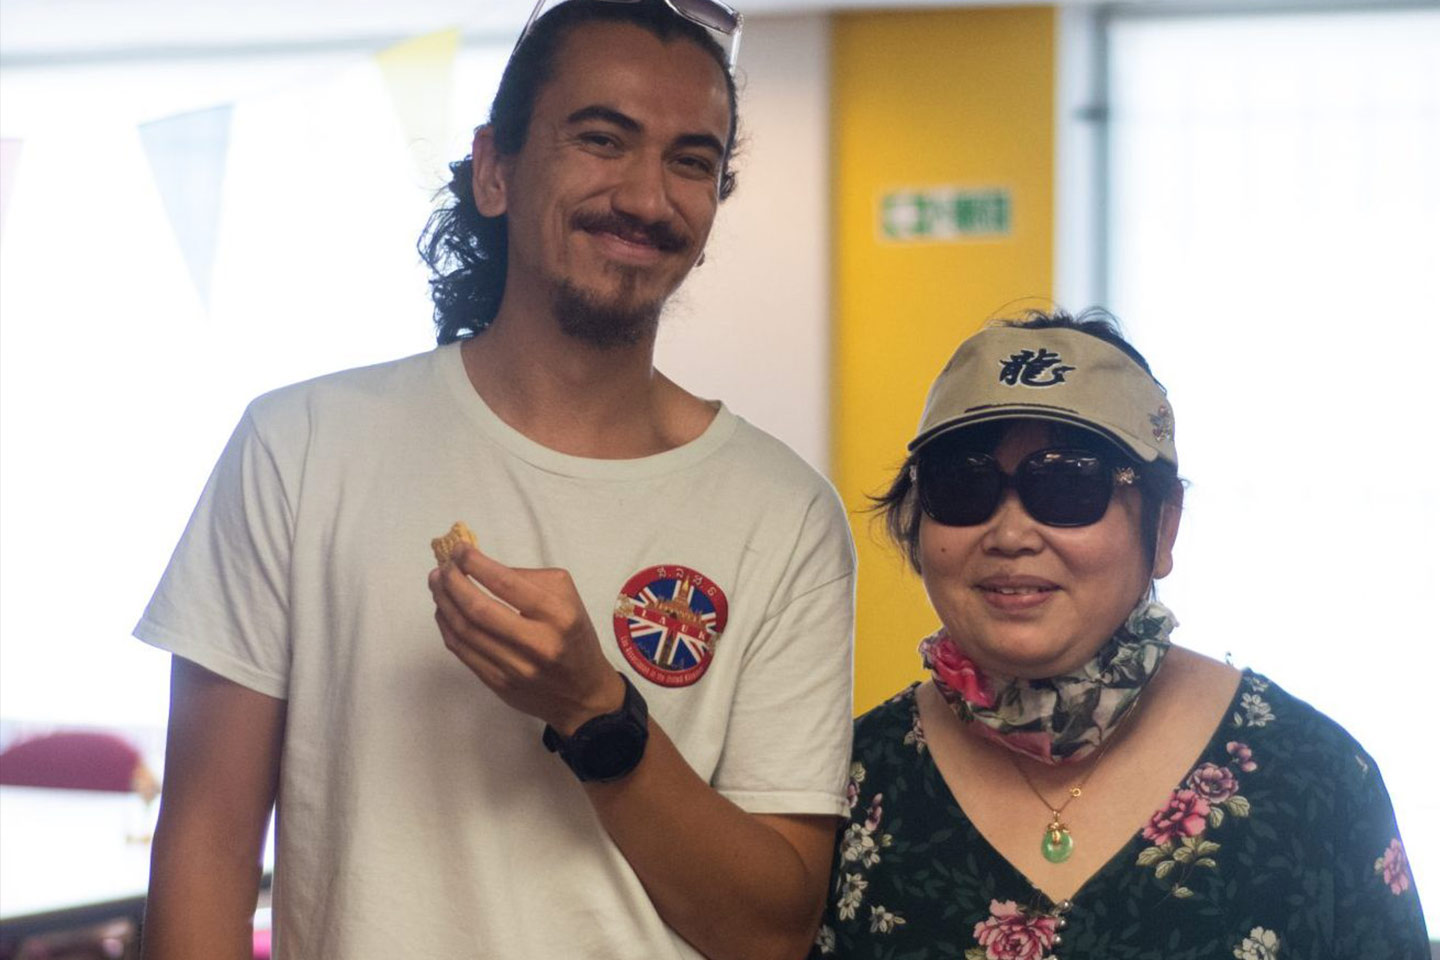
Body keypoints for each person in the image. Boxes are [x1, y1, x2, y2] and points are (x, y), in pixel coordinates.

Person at [134, 2, 856, 958]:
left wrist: (595, 713)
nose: (647, 196)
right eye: (603, 139)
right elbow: (207, 845)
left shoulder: (785, 515)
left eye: (692, 161)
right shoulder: (301, 446)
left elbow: (769, 932)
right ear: (494, 169)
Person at [812, 310, 1429, 958]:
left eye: (1068, 485)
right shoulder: (848, 782)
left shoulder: (1313, 779)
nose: (1011, 534)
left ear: (1163, 528)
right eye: (963, 485)